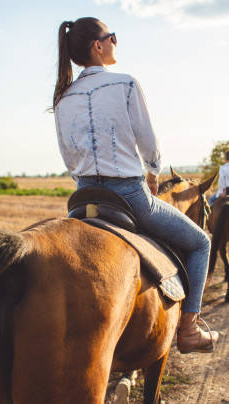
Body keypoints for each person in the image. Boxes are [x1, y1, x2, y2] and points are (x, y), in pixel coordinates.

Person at [52, 17, 218, 353]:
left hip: (81, 199)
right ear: (98, 46)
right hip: (129, 195)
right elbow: (149, 143)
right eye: (112, 36)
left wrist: (88, 179)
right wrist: (154, 174)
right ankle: (188, 330)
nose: (115, 42)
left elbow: (69, 156)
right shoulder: (125, 84)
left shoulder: (62, 97)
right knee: (200, 243)